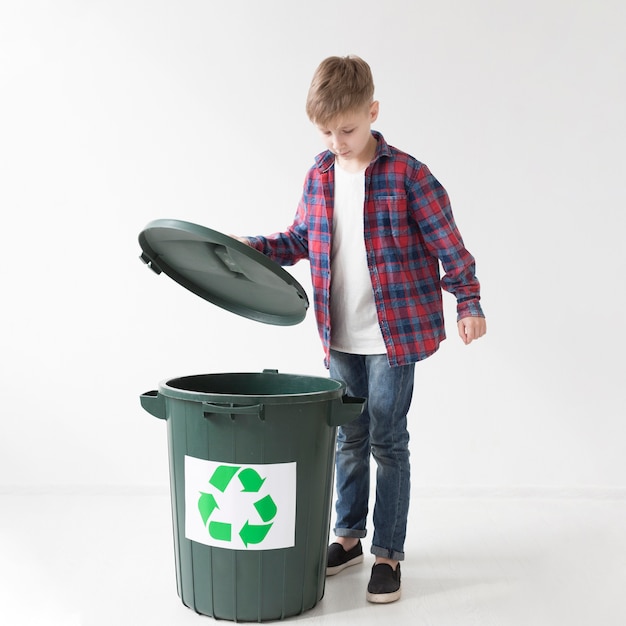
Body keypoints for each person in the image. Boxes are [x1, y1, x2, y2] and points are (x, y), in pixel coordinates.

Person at [241, 55, 486, 603]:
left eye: (347, 129)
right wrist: (250, 249)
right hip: (339, 336)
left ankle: (388, 554)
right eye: (326, 131)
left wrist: (468, 301)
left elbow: (451, 246)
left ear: (372, 112)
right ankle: (348, 538)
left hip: (394, 337)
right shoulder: (320, 173)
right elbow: (299, 239)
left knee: (386, 439)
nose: (337, 140)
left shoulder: (409, 175)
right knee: (347, 437)